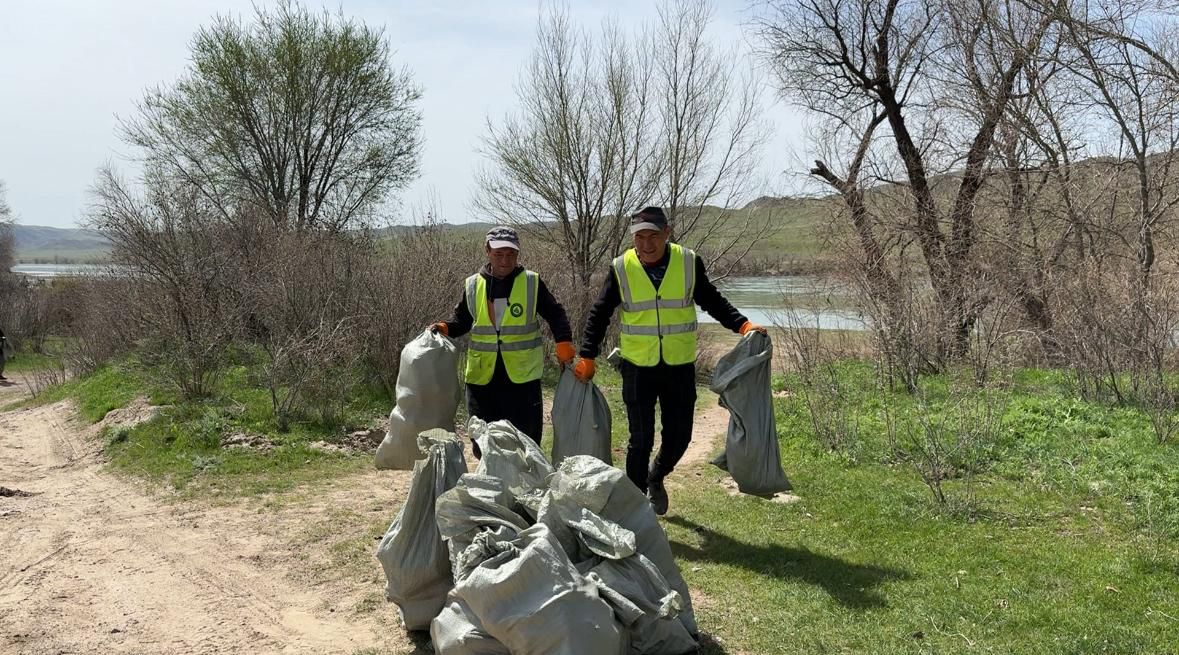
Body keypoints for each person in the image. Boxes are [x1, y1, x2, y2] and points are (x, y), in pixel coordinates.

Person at [574, 207, 766, 515]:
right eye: (639, 237)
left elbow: (711, 300)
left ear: (667, 233)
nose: (646, 245)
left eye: (653, 236)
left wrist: (742, 325)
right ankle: (635, 511)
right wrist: (586, 354)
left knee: (680, 436)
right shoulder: (621, 268)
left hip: (678, 366)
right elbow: (600, 312)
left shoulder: (688, 262)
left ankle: (656, 476)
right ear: (633, 238)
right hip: (638, 366)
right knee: (640, 439)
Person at [432, 226, 574, 452]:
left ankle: (525, 484)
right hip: (482, 378)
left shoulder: (531, 283)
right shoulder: (472, 285)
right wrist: (445, 328)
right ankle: (492, 483)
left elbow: (555, 314)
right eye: (499, 254)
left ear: (518, 255)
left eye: (511, 255)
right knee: (482, 442)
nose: (505, 261)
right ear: (487, 251)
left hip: (522, 377)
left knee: (526, 440)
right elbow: (462, 321)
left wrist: (564, 341)